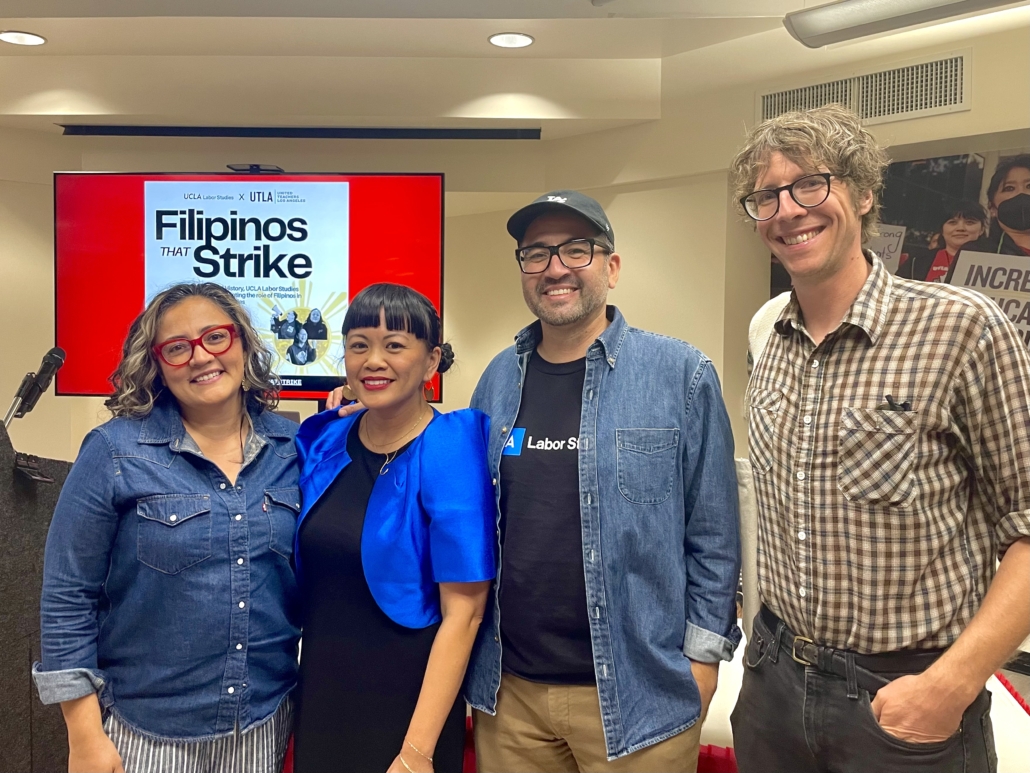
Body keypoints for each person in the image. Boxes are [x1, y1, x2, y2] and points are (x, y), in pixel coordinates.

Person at [729, 104, 1030, 773]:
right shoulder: (766, 332)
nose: (787, 210)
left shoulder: (963, 328)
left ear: (864, 192)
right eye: (765, 196)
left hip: (900, 697)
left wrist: (949, 686)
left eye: (812, 184)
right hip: (774, 684)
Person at [464, 191, 741, 772]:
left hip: (641, 696)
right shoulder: (496, 379)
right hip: (510, 698)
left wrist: (703, 662)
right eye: (536, 254)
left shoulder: (680, 374)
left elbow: (714, 532)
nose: (555, 267)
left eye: (576, 250)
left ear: (611, 268)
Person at [34, 282, 301, 773]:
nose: (201, 357)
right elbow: (67, 596)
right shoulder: (113, 451)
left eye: (215, 337)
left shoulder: (295, 448)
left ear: (242, 341)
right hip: (147, 734)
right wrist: (84, 735)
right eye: (177, 348)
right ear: (157, 364)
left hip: (263, 724)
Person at [292, 283, 495, 773]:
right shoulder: (322, 439)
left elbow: (464, 615)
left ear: (431, 362)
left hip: (407, 704)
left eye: (395, 345)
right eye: (359, 345)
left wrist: (416, 752)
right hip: (322, 693)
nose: (373, 360)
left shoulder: (449, 447)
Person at [896, 200, 987, 282]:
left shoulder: (993, 263)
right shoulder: (915, 262)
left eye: (969, 222)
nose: (960, 228)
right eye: (952, 222)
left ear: (982, 229)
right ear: (942, 230)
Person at [980, 154, 1030, 256]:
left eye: (1029, 186)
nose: (1021, 193)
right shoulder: (974, 252)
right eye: (1009, 188)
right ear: (992, 207)